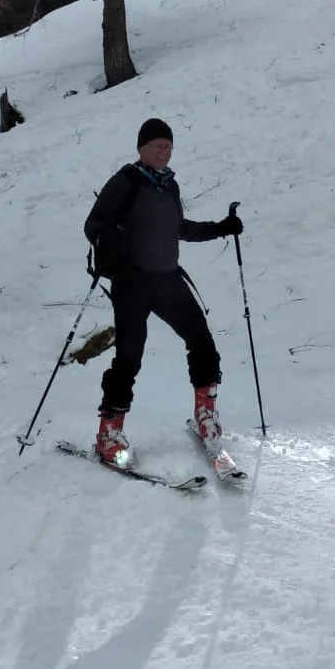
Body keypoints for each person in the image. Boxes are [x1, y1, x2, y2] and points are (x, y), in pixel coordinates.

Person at [83, 118, 243, 466]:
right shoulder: (124, 182)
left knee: (201, 339)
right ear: (141, 148)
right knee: (130, 354)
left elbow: (178, 228)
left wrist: (221, 229)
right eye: (157, 144)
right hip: (131, 282)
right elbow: (94, 223)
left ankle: (206, 414)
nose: (163, 151)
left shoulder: (169, 187)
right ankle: (108, 432)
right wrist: (108, 241)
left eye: (168, 146)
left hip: (167, 279)